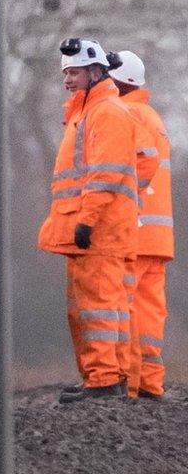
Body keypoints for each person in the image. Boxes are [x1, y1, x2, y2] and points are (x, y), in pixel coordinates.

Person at [38, 39, 147, 403]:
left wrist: (86, 220)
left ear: (96, 72)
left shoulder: (106, 113)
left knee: (98, 305)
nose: (68, 79)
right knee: (100, 305)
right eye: (66, 73)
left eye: (75, 72)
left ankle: (104, 380)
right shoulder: (89, 112)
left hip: (97, 230)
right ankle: (105, 378)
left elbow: (105, 173)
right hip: (92, 228)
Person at [108, 51, 173, 400]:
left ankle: (131, 384)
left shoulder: (125, 114)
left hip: (133, 229)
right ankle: (149, 381)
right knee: (150, 309)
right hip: (159, 236)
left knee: (127, 306)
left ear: (119, 81)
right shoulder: (152, 116)